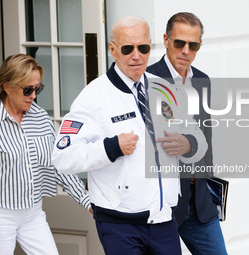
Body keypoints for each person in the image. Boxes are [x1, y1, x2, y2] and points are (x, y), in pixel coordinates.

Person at [52, 16, 207, 255]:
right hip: (120, 224)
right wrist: (111, 148)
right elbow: (63, 157)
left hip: (164, 218)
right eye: (128, 48)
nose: (137, 55)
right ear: (113, 50)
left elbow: (196, 135)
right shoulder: (92, 97)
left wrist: (188, 143)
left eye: (143, 48)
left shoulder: (164, 88)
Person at [0, 53, 92, 255]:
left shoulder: (41, 119)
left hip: (32, 213)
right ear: (7, 86)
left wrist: (87, 201)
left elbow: (58, 166)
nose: (33, 95)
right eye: (28, 89)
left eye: (38, 88)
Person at [147, 12, 228, 254]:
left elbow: (207, 139)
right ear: (166, 40)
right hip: (164, 205)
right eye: (180, 42)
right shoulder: (147, 80)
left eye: (193, 45)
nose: (185, 50)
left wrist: (212, 193)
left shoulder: (202, 80)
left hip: (201, 201)